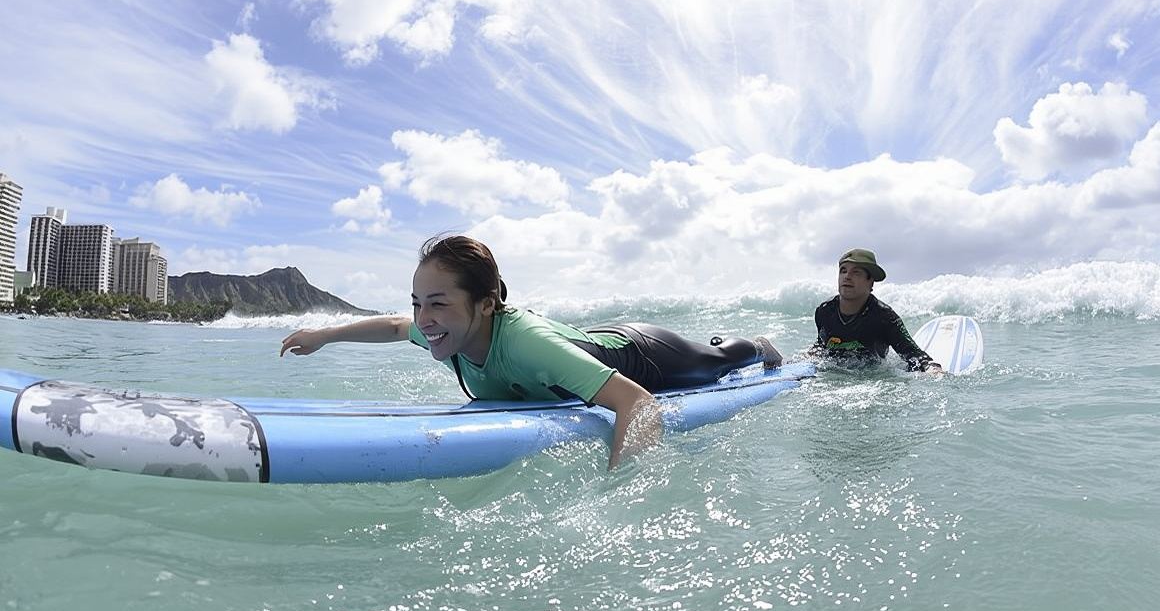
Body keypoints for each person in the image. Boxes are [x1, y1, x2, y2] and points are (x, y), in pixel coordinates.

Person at [280, 235, 783, 469]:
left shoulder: (522, 340)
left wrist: (621, 485)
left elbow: (637, 403)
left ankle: (756, 344)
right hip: (582, 342)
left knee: (715, 365)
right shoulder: (443, 332)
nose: (422, 319)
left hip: (644, 353)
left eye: (437, 303)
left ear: (485, 303)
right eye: (418, 303)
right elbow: (393, 328)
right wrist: (323, 335)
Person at [810, 248, 942, 373]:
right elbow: (822, 347)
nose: (847, 276)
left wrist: (931, 368)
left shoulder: (885, 317)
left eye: (856, 272)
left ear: (871, 283)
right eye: (843, 271)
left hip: (872, 379)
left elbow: (915, 356)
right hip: (833, 376)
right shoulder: (824, 312)